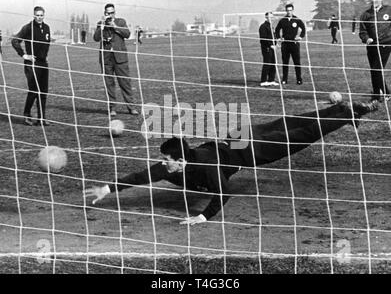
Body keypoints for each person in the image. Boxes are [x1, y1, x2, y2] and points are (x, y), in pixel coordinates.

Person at [84, 100, 378, 224]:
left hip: (247, 149)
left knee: (300, 135)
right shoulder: (176, 164)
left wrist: (201, 217)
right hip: (236, 138)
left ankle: (345, 113)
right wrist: (107, 189)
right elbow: (139, 176)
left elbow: (223, 193)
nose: (162, 163)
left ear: (179, 161)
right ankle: (341, 110)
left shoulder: (205, 167)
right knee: (290, 124)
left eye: (166, 159)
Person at [93, 3, 138, 116]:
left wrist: (115, 26)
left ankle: (131, 107)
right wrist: (102, 27)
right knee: (109, 84)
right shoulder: (100, 23)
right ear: (104, 13)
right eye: (108, 13)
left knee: (125, 82)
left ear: (115, 13)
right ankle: (112, 108)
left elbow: (127, 34)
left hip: (120, 57)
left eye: (112, 13)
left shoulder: (121, 22)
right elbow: (96, 38)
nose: (110, 15)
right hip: (106, 58)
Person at [11, 6, 51, 126]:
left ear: (44, 15)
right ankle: (26, 115)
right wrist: (24, 55)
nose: (39, 17)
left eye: (41, 15)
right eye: (37, 15)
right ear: (34, 15)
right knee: (33, 90)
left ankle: (41, 118)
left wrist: (45, 55)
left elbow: (46, 43)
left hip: (43, 63)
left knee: (43, 92)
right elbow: (15, 41)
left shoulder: (47, 27)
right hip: (32, 63)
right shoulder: (28, 28)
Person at [359, 0, 391, 103]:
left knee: (376, 68)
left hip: (385, 45)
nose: (375, 0)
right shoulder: (365, 14)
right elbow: (362, 31)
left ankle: (386, 93)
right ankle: (377, 95)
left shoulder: (389, 10)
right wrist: (366, 38)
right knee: (374, 70)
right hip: (371, 46)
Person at [275, 4, 306, 85]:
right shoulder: (283, 20)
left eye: (290, 10)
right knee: (285, 62)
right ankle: (284, 79)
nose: (289, 12)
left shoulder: (297, 19)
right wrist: (279, 38)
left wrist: (300, 37)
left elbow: (303, 28)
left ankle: (299, 79)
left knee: (297, 62)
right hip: (285, 44)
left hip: (294, 44)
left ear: (293, 10)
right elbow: (277, 29)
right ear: (286, 11)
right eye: (287, 10)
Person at [259, 12, 278, 87]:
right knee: (267, 63)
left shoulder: (271, 26)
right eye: (269, 17)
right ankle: (263, 80)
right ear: (266, 17)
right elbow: (263, 39)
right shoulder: (263, 26)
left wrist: (276, 44)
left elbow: (273, 37)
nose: (271, 19)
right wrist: (270, 45)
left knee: (273, 63)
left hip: (273, 48)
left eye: (272, 17)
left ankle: (271, 80)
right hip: (266, 48)